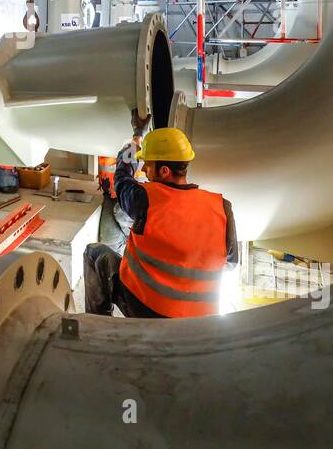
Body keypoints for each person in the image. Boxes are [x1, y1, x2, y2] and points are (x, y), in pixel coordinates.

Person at [84, 114, 237, 318]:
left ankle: (99, 326)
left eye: (148, 165)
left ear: (164, 171)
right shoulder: (222, 207)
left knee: (95, 253)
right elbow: (230, 263)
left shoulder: (146, 199)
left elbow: (121, 178)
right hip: (198, 323)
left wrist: (137, 137)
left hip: (144, 308)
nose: (145, 170)